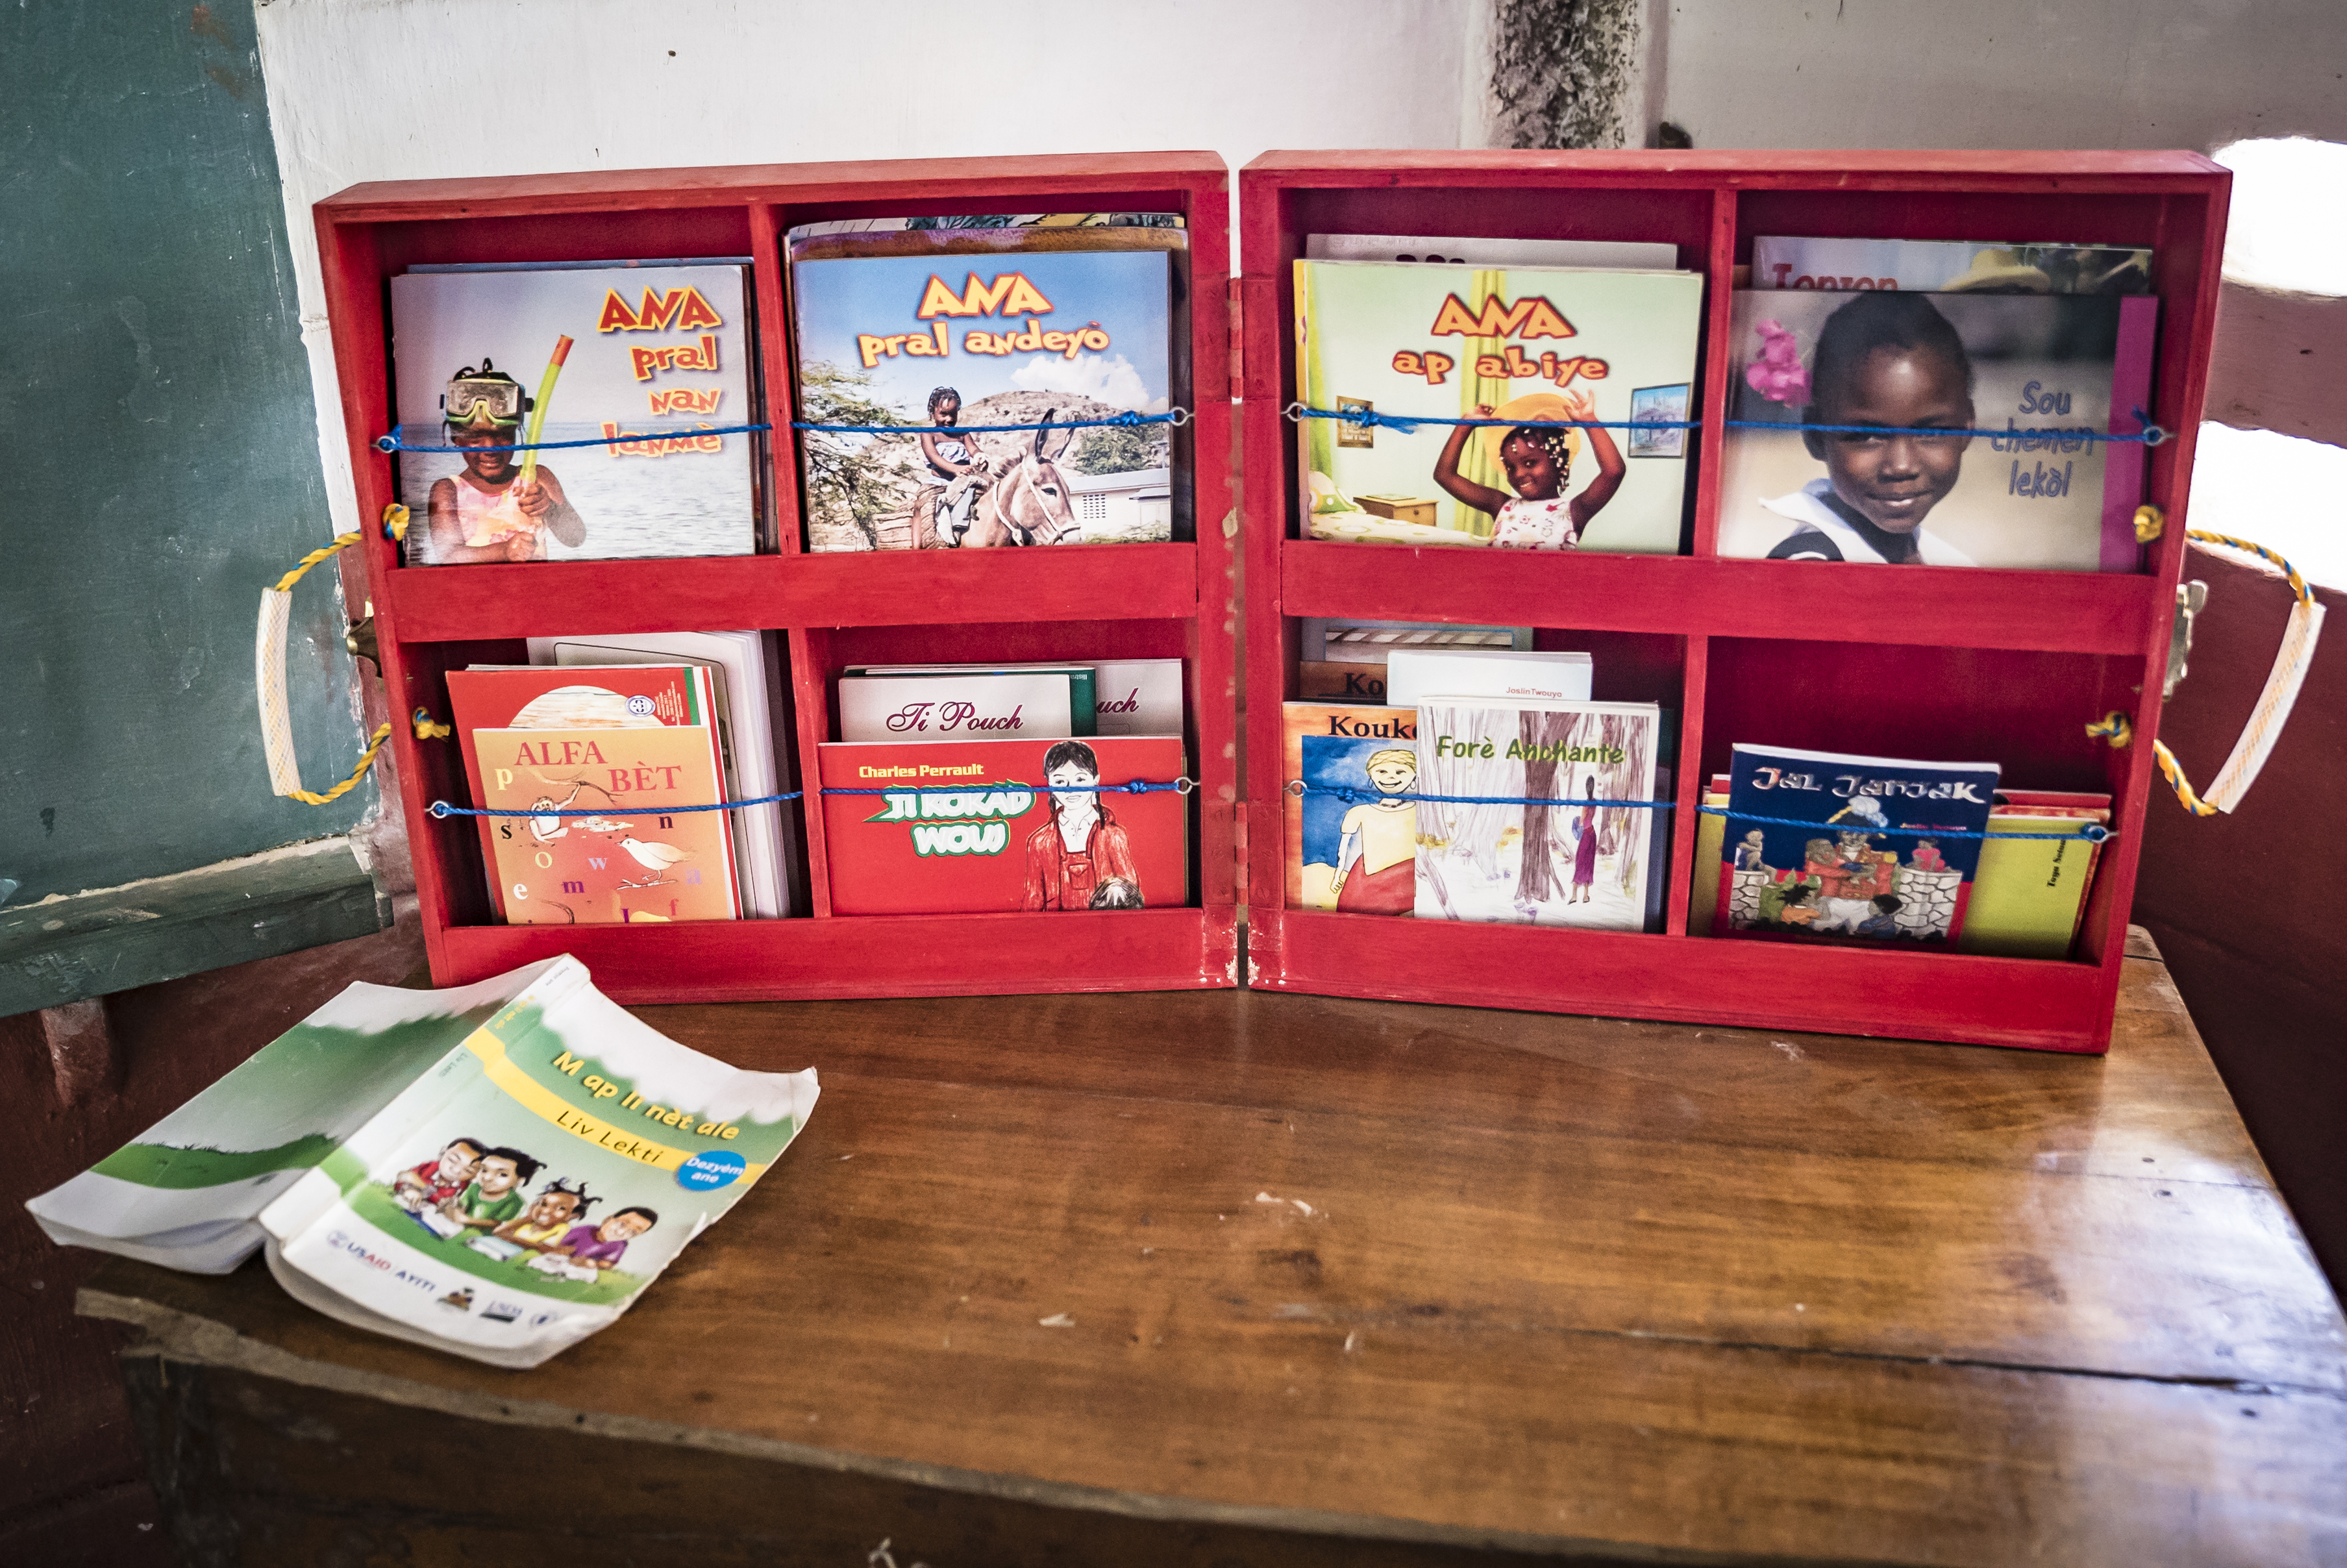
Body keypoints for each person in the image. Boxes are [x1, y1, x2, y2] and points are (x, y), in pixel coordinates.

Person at [1757, 293, 1978, 566]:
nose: (1901, 466)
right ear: (1815, 436)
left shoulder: (1950, 562)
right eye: (1867, 436)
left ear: (1968, 426)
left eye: (1929, 432)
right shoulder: (1812, 566)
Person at [424, 360, 586, 564]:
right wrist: (503, 552)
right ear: (456, 438)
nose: (491, 448)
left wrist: (551, 509)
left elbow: (575, 538)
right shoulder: (447, 491)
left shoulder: (537, 478)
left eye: (503, 435)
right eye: (476, 438)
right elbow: (447, 557)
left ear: (517, 434)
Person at [1430, 386, 1624, 549]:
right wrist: (1465, 425)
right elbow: (1444, 475)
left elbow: (1614, 472)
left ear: (1558, 462)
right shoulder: (1501, 506)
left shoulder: (1574, 511)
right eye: (1510, 467)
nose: (1519, 474)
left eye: (1530, 463)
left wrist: (1590, 422)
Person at [1022, 740, 1141, 911]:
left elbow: (1131, 895)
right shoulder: (1039, 842)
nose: (1070, 789)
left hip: (1106, 930)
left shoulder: (1114, 835)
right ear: (1049, 784)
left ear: (1095, 780)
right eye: (1060, 781)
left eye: (1080, 779)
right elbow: (1033, 900)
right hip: (1055, 932)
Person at [1330, 748, 1418, 915]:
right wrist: (1338, 875)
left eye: (1400, 771)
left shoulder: (1421, 810)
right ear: (1372, 777)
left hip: (1408, 879)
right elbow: (1344, 847)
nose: (1391, 777)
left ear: (1414, 776)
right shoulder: (1359, 812)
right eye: (1381, 771)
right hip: (1369, 880)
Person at [917, 386, 995, 546]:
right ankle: (923, 546)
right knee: (923, 507)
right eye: (943, 414)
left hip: (964, 481)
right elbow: (934, 457)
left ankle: (961, 526)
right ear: (933, 414)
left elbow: (973, 449)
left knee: (982, 492)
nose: (949, 419)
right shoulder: (928, 434)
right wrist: (955, 469)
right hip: (939, 482)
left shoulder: (962, 433)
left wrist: (980, 456)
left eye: (953, 414)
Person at [440, 1146, 541, 1231]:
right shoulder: (474, 1188)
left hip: (483, 1238)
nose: (488, 1178)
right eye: (484, 1170)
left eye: (502, 1174)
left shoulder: (515, 1202)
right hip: (457, 1228)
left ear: (520, 1181)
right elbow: (461, 1206)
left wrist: (466, 1220)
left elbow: (497, 1223)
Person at [494, 1179, 595, 1253]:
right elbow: (498, 1232)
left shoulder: (563, 1229)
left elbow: (545, 1249)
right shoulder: (527, 1222)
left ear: (573, 1216)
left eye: (561, 1208)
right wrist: (527, 1218)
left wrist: (512, 1239)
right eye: (543, 1204)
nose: (546, 1211)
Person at [392, 1137, 482, 1213]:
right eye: (452, 1160)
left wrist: (423, 1187)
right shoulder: (430, 1167)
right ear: (443, 1153)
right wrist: (409, 1189)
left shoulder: (464, 1188)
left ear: (475, 1176)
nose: (456, 1170)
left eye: (468, 1170)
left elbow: (451, 1207)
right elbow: (405, 1176)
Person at [557, 1206, 657, 1271]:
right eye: (621, 1224)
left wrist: (592, 1264)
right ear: (608, 1219)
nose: (621, 1233)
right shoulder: (585, 1230)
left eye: (633, 1232)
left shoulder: (619, 1245)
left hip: (583, 1269)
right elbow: (561, 1246)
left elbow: (608, 1263)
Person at [1569, 775, 1606, 904]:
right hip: (1592, 835)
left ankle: (1574, 896)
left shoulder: (1585, 804)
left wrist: (1576, 821)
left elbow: (1582, 821)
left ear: (1586, 788)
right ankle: (1585, 895)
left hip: (1586, 835)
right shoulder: (1594, 803)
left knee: (1580, 862)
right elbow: (1590, 818)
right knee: (1588, 864)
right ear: (1593, 787)